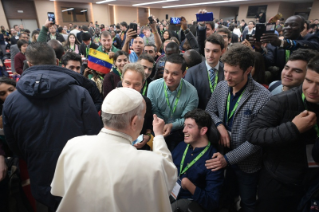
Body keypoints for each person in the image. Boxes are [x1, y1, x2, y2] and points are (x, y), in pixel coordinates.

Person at [3, 42, 102, 211]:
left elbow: (13, 143)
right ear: (57, 62)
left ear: (29, 64)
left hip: (39, 175)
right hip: (77, 175)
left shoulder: (11, 101)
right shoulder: (79, 94)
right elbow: (95, 135)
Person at [51, 87, 177, 212]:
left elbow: (61, 190)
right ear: (134, 122)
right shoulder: (151, 164)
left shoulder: (73, 145)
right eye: (143, 116)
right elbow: (168, 178)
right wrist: (159, 137)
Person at [246, 54, 319, 212]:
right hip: (279, 182)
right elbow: (253, 133)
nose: (312, 90)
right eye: (309, 81)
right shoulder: (282, 101)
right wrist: (292, 128)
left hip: (313, 184)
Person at [205, 44, 270, 212]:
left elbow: (256, 142)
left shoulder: (263, 97)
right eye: (225, 71)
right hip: (221, 152)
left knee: (248, 202)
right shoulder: (221, 86)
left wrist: (228, 159)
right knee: (226, 196)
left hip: (246, 163)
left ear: (248, 70)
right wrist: (219, 125)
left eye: (233, 73)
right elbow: (210, 111)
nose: (227, 77)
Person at [171, 109, 224, 212]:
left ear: (203, 130)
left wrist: (189, 185)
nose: (184, 130)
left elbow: (212, 202)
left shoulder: (213, 159)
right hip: (171, 193)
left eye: (189, 126)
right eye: (184, 125)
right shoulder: (182, 146)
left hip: (191, 202)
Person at [147, 54, 199, 151]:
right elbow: (153, 110)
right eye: (166, 72)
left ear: (184, 74)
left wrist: (171, 126)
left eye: (175, 74)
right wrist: (161, 125)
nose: (169, 77)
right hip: (157, 127)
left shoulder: (192, 92)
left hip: (180, 131)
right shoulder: (153, 87)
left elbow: (187, 118)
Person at [255, 15, 319, 79]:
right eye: (286, 25)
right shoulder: (274, 45)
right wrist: (259, 50)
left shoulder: (308, 41)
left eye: (293, 25)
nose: (288, 27)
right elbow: (268, 63)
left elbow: (312, 46)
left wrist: (282, 43)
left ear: (302, 28)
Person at [185, 34, 225, 110]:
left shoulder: (227, 71)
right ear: (204, 50)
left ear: (222, 51)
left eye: (215, 51)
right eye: (207, 50)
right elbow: (187, 100)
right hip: (199, 116)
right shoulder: (192, 72)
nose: (210, 55)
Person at [120, 63, 153, 150]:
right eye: (127, 83)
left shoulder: (146, 102)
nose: (131, 88)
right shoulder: (111, 101)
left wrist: (147, 137)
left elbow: (149, 127)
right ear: (122, 81)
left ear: (142, 84)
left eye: (137, 84)